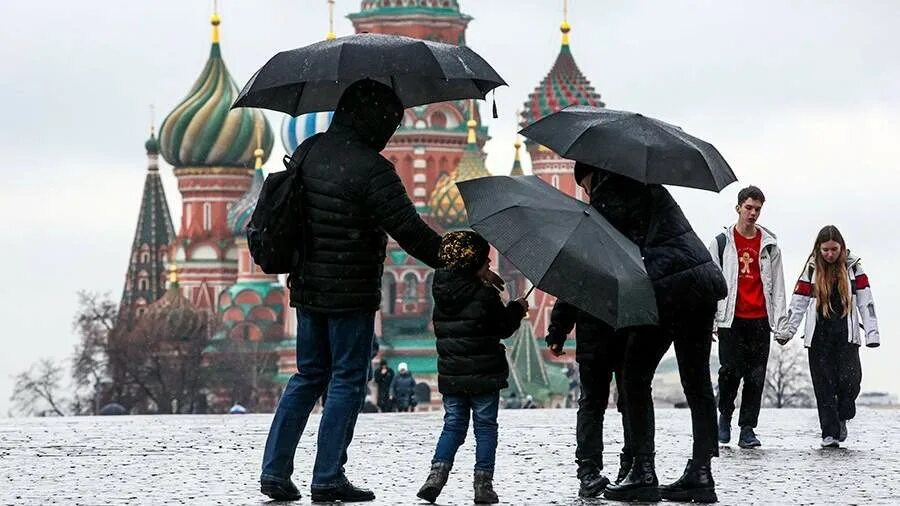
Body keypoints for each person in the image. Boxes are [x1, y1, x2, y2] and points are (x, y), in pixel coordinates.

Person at [259, 79, 447, 503]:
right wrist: (456, 257)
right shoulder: (373, 169)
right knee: (346, 379)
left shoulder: (308, 152)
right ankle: (327, 476)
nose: (392, 132)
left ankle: (274, 471)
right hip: (351, 293)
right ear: (374, 121)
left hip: (307, 289)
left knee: (307, 376)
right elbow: (411, 232)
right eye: (390, 122)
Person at [566, 164, 727, 504]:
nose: (586, 192)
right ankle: (701, 472)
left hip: (670, 287)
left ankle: (642, 470)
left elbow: (602, 256)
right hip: (703, 282)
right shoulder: (650, 186)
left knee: (633, 377)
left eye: (584, 184)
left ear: (592, 176)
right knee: (697, 382)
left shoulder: (608, 195)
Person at [416, 231, 529, 505]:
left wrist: (481, 279)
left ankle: (435, 476)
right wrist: (517, 308)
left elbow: (462, 300)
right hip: (484, 376)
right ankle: (483, 486)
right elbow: (502, 327)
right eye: (485, 260)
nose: (490, 263)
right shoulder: (484, 295)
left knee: (453, 426)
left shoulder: (442, 292)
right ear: (473, 263)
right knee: (485, 428)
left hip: (453, 375)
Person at [775, 226, 879, 448]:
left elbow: (866, 301)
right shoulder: (811, 269)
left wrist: (872, 333)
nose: (829, 254)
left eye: (834, 249)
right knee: (824, 387)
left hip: (846, 335)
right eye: (825, 250)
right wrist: (788, 331)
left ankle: (844, 414)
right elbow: (798, 302)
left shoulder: (854, 268)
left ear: (841, 247)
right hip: (819, 337)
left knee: (850, 382)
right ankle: (829, 433)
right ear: (818, 249)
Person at [709, 185, 787, 448]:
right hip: (731, 318)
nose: (752, 213)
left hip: (759, 319)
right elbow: (712, 283)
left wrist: (780, 323)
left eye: (757, 209)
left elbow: (777, 285)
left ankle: (747, 428)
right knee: (729, 372)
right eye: (748, 208)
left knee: (755, 376)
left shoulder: (769, 245)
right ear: (738, 208)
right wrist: (711, 321)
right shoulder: (721, 244)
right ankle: (724, 416)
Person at [546, 300, 633, 497]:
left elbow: (570, 293)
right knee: (630, 403)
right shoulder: (638, 268)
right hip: (627, 337)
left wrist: (557, 332)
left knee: (593, 405)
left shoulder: (587, 268)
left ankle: (588, 470)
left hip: (595, 337)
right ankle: (631, 465)